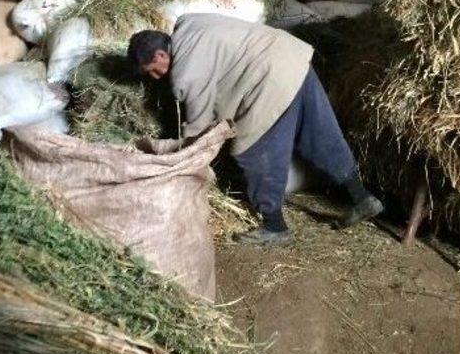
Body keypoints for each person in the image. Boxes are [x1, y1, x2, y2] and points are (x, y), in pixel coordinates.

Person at [128, 13, 384, 247]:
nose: (155, 78)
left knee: (253, 151)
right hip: (294, 59)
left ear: (161, 56)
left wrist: (183, 160)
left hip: (270, 78)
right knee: (321, 136)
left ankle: (275, 227)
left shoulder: (185, 74)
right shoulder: (189, 24)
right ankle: (362, 198)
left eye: (152, 72)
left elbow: (200, 128)